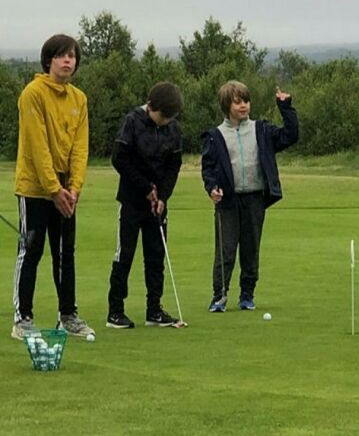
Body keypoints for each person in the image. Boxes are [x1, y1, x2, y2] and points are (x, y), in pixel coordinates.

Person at [11, 34, 92, 340]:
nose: (67, 61)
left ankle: (68, 316)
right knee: (31, 249)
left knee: (64, 253)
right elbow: (37, 145)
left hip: (65, 190)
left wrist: (73, 187)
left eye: (72, 56)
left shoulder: (79, 99)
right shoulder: (32, 94)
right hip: (35, 187)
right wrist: (53, 189)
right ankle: (22, 318)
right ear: (49, 60)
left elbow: (80, 147)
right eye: (61, 56)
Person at [201, 81, 299, 312]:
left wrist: (285, 107)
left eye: (245, 100)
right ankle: (219, 296)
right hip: (227, 201)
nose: (243, 106)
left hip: (255, 198)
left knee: (250, 248)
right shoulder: (215, 135)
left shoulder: (261, 130)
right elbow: (208, 167)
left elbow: (290, 135)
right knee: (225, 250)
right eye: (237, 102)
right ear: (227, 105)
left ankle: (247, 294)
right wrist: (211, 188)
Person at [106, 82, 184, 329]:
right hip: (131, 199)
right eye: (162, 117)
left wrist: (162, 196)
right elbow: (119, 159)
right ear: (150, 106)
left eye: (170, 118)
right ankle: (115, 311)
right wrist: (144, 188)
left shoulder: (174, 129)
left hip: (157, 203)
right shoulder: (133, 121)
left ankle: (154, 310)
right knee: (124, 254)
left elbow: (174, 165)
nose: (165, 122)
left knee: (156, 255)